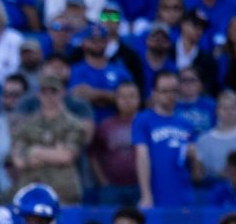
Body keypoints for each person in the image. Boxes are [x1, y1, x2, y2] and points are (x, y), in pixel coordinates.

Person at [10, 74, 90, 204]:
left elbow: (66, 156)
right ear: (38, 95)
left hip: (63, 192)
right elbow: (18, 160)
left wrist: (34, 150)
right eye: (44, 92)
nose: (49, 97)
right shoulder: (26, 125)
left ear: (62, 93)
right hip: (31, 188)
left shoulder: (74, 124)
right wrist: (53, 152)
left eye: (53, 92)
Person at [135, 71, 200, 209]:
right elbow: (142, 157)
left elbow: (197, 174)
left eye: (174, 91)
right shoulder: (143, 120)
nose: (170, 95)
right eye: (165, 91)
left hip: (183, 196)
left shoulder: (186, 124)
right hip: (156, 194)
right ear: (154, 93)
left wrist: (194, 159)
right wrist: (146, 195)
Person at [89, 80, 141, 205]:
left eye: (131, 96)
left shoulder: (147, 124)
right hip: (111, 189)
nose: (127, 100)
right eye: (123, 96)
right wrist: (103, 182)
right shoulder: (106, 125)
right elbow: (93, 155)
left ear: (139, 99)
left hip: (140, 187)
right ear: (116, 100)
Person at [197, 90, 236, 181]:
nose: (229, 112)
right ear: (217, 110)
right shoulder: (203, 140)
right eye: (225, 108)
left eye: (233, 108)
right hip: (215, 190)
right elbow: (200, 175)